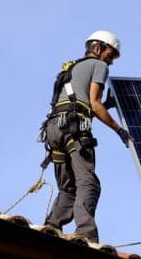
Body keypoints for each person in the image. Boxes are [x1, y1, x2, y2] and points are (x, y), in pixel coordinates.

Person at [42, 30, 131, 242]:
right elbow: (94, 104)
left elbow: (77, 102)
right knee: (88, 183)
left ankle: (51, 227)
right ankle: (86, 233)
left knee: (68, 188)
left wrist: (104, 105)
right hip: (75, 130)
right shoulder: (99, 66)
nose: (110, 62)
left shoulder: (72, 68)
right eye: (110, 56)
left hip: (53, 130)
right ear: (98, 48)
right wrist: (119, 130)